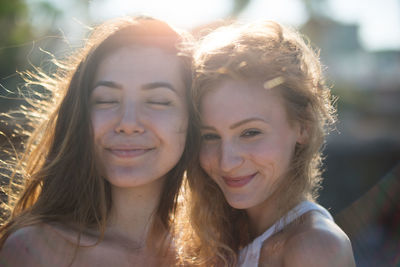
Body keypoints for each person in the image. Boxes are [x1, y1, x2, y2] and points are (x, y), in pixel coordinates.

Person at [0, 15, 194, 266]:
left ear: (193, 119)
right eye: (106, 100)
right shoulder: (34, 250)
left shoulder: (216, 253)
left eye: (158, 100)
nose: (128, 123)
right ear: (80, 116)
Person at [179, 20, 356, 266]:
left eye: (250, 132)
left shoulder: (314, 248)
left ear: (303, 126)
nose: (227, 162)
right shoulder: (214, 235)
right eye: (210, 136)